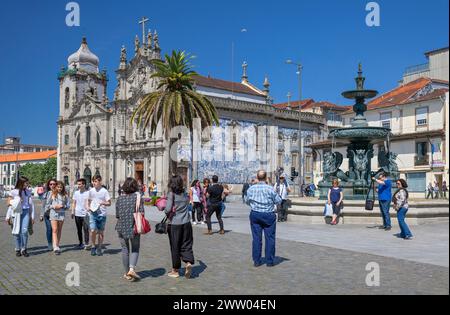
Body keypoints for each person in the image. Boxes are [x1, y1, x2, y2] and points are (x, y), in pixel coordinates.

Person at [245, 170, 282, 267]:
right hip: (268, 215)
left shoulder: (251, 189)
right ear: (266, 178)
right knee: (270, 238)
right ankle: (269, 261)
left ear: (257, 177)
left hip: (255, 214)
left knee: (256, 238)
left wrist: (254, 205)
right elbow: (278, 201)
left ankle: (257, 260)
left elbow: (246, 200)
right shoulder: (270, 189)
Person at [164, 175, 195, 279]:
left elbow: (167, 209)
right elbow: (187, 204)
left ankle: (175, 270)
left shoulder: (171, 194)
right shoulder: (184, 194)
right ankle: (188, 262)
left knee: (175, 246)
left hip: (175, 224)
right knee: (186, 243)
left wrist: (164, 208)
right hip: (186, 222)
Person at [115, 178, 144, 282]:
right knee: (135, 248)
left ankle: (127, 273)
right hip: (134, 226)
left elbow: (117, 215)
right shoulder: (138, 197)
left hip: (121, 227)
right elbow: (142, 212)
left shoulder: (119, 199)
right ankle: (132, 269)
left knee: (124, 249)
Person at [5, 176, 35, 258]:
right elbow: (8, 204)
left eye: (27, 183)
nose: (27, 184)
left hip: (25, 212)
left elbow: (31, 204)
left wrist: (32, 216)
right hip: (17, 213)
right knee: (16, 231)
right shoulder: (14, 192)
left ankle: (24, 249)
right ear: (21, 183)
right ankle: (17, 248)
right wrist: (16, 201)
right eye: (26, 183)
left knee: (24, 231)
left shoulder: (28, 191)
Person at [87, 175, 112, 256]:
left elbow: (109, 203)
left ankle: (99, 247)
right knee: (93, 230)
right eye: (93, 181)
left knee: (101, 232)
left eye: (95, 181)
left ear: (100, 181)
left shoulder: (104, 191)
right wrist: (89, 207)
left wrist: (102, 203)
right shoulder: (91, 191)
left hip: (102, 214)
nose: (94, 183)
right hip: (93, 213)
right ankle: (93, 246)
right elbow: (89, 200)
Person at [47, 181, 70, 255]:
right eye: (58, 187)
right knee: (55, 229)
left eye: (61, 187)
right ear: (56, 187)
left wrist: (64, 206)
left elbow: (68, 205)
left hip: (61, 214)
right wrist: (54, 206)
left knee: (59, 230)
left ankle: (57, 244)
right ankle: (55, 247)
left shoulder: (65, 195)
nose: (59, 188)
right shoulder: (51, 193)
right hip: (53, 213)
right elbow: (47, 205)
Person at [71, 179, 90, 250]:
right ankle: (80, 242)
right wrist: (72, 211)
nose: (78, 186)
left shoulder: (88, 193)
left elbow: (89, 202)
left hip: (85, 214)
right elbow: (74, 203)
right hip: (77, 213)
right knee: (79, 229)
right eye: (78, 184)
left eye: (79, 184)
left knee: (86, 229)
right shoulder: (76, 193)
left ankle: (86, 243)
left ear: (83, 185)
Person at [40, 179, 57, 250]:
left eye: (54, 184)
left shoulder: (58, 193)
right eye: (51, 184)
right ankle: (50, 243)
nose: (52, 185)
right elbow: (43, 205)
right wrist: (41, 215)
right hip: (47, 214)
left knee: (55, 230)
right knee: (49, 229)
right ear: (48, 185)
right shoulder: (46, 193)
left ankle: (55, 244)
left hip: (56, 214)